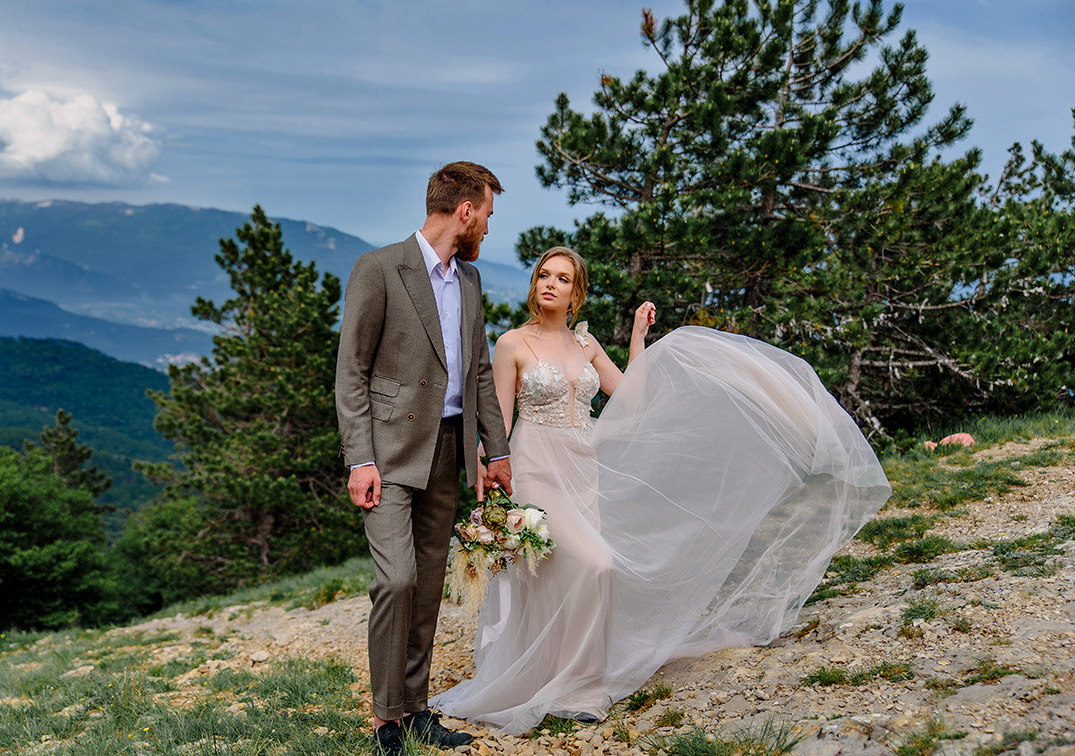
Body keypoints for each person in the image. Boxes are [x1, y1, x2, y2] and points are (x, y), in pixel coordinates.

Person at [433, 247, 891, 734]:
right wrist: (490, 475)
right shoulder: (512, 344)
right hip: (536, 468)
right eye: (544, 274)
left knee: (574, 573)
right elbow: (499, 421)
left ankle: (576, 682)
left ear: (575, 293)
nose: (550, 283)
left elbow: (632, 396)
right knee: (596, 565)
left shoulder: (585, 345)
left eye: (563, 278)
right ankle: (558, 678)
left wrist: (637, 337)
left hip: (584, 467)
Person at [336, 161, 514, 756]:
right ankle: (387, 720)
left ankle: (415, 711)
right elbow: (351, 373)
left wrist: (495, 448)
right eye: (486, 213)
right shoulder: (380, 269)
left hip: (450, 450)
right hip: (387, 456)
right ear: (464, 210)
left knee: (429, 585)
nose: (487, 226)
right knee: (398, 579)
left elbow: (480, 371)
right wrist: (359, 459)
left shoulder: (469, 281)